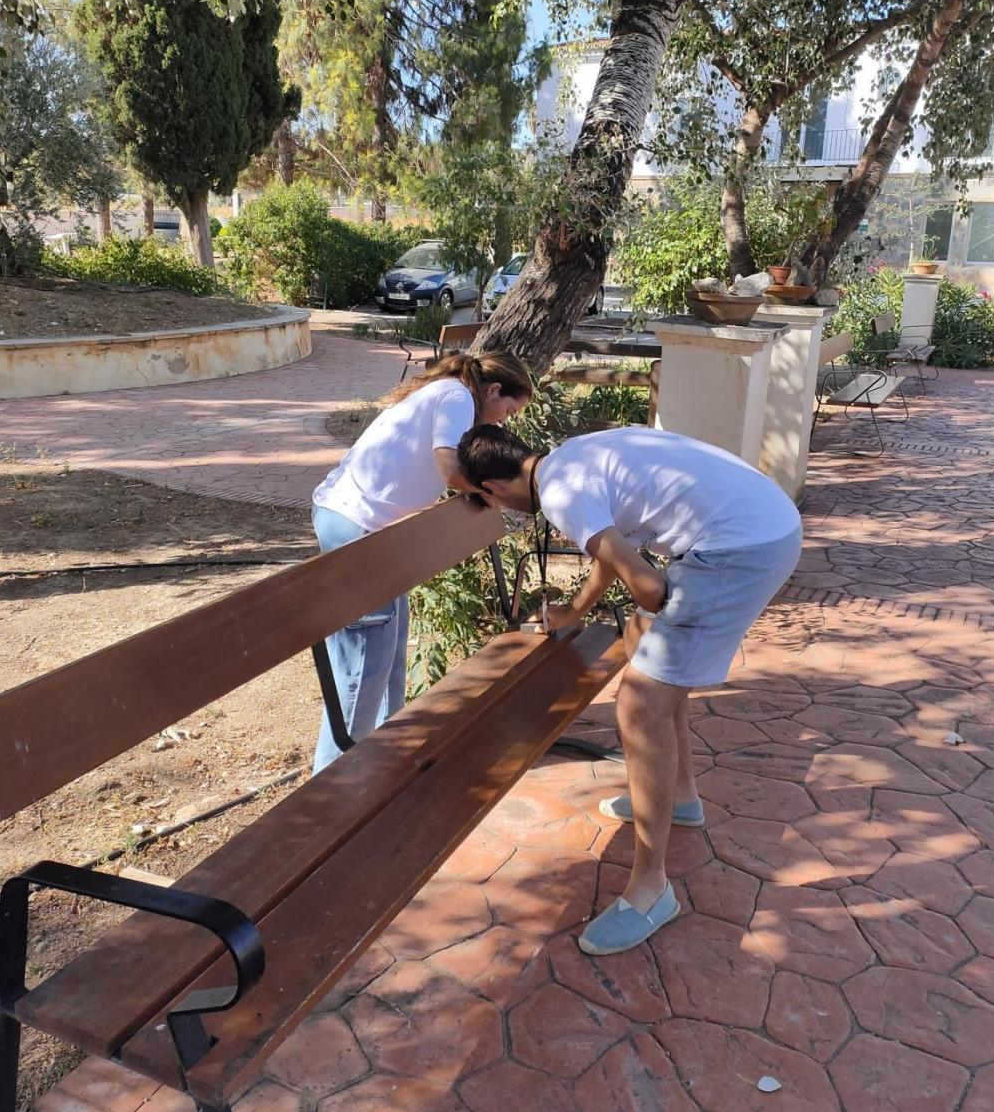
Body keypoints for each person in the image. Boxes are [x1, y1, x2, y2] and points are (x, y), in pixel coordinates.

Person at [457, 422, 802, 955]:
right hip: (765, 524)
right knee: (656, 666)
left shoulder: (559, 496)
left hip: (738, 550)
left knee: (640, 704)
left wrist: (656, 607)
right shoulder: (572, 456)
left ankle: (650, 890)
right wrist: (576, 610)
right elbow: (612, 553)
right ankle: (682, 798)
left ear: (491, 490)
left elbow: (646, 583)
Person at [310, 352, 532, 773]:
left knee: (390, 652)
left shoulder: (449, 397)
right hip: (357, 528)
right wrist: (492, 494)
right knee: (363, 666)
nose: (505, 420)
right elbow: (448, 467)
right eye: (509, 409)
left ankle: (379, 762)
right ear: (494, 390)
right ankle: (331, 784)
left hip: (358, 524)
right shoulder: (456, 396)